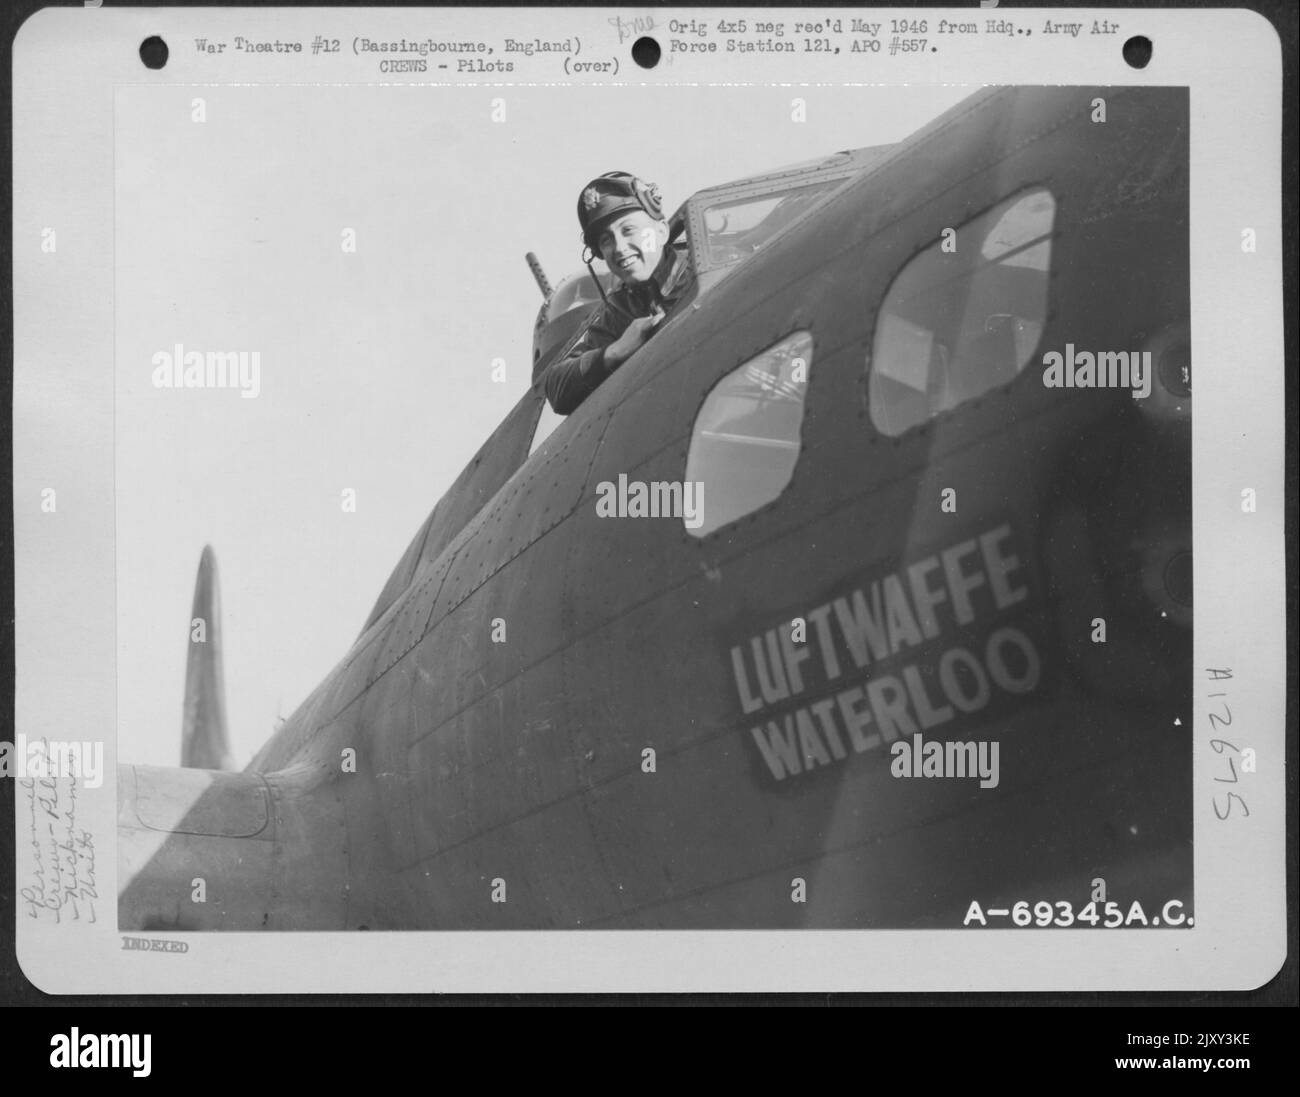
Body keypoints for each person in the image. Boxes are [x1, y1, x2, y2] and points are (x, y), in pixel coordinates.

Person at [544, 172, 693, 415]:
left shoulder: (701, 270)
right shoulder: (621, 307)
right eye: (606, 240)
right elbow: (556, 387)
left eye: (629, 230)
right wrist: (613, 351)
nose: (620, 248)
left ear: (662, 231)